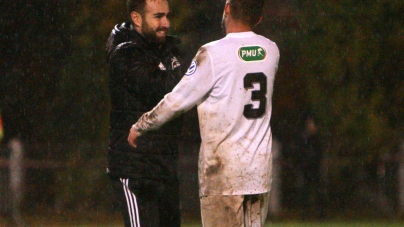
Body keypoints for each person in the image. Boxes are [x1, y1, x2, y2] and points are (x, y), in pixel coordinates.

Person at [128, 0, 279, 226]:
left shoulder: (212, 53)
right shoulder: (271, 50)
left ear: (227, 8)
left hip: (224, 172)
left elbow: (177, 101)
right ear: (258, 17)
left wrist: (142, 124)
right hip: (258, 173)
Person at [105, 0, 183, 226]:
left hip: (165, 165)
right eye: (158, 16)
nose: (166, 23)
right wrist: (183, 77)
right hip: (135, 168)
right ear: (137, 18)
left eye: (167, 16)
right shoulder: (125, 53)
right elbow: (165, 93)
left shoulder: (167, 48)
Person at [295, 115, 327, 220]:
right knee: (305, 192)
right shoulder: (304, 138)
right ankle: (305, 215)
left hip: (315, 169)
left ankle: (321, 215)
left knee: (319, 192)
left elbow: (320, 154)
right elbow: (301, 153)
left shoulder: (317, 139)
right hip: (306, 169)